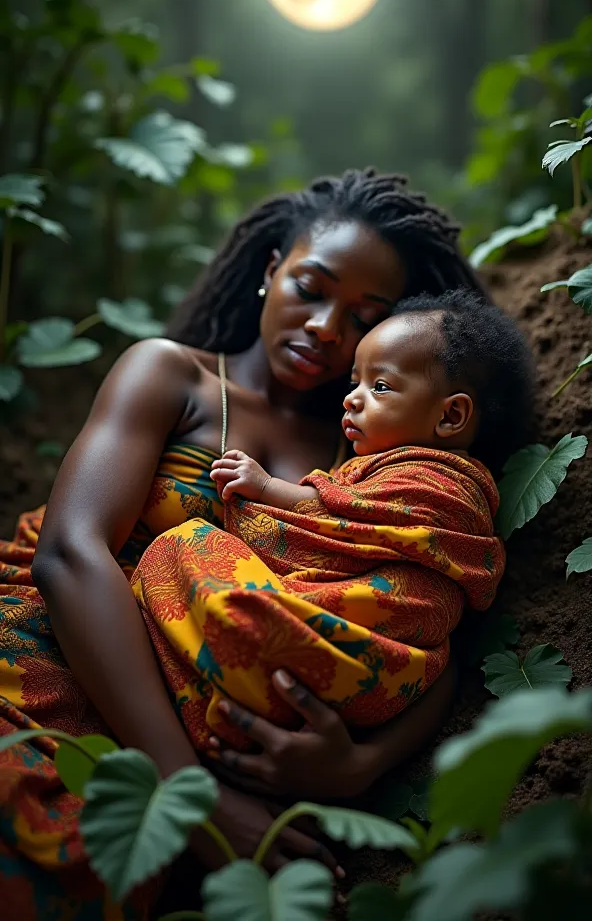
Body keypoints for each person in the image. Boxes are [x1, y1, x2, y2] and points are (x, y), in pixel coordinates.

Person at [0, 169, 488, 918]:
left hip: (212, 736)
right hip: (47, 658)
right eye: (311, 287)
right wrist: (189, 796)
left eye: (365, 315)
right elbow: (69, 554)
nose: (327, 327)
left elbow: (431, 612)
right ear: (271, 271)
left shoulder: (378, 449)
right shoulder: (173, 375)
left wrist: (359, 766)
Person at [131, 290, 533, 758]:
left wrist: (262, 490)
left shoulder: (432, 481)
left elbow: (337, 522)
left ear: (451, 415)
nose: (353, 400)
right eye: (354, 383)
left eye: (379, 387)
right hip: (385, 684)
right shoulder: (454, 486)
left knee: (182, 545)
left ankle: (230, 709)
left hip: (344, 642)